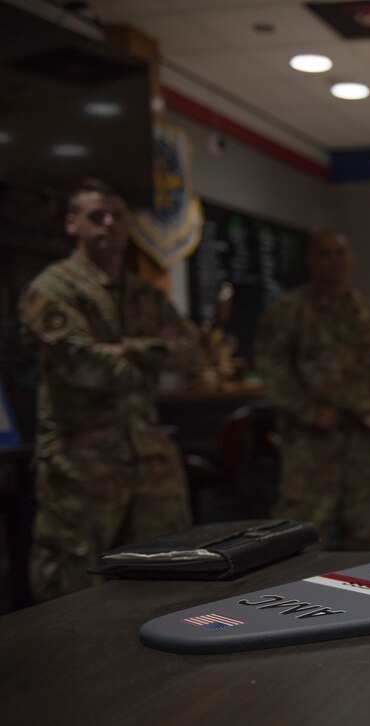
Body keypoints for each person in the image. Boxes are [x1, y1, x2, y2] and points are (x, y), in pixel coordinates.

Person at [19, 178, 201, 601]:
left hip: (151, 460)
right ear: (72, 224)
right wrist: (155, 359)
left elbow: (193, 355)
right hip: (82, 464)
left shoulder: (143, 293)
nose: (109, 224)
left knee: (172, 581)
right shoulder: (52, 289)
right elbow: (82, 366)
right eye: (96, 216)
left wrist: (128, 348)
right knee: (73, 586)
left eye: (118, 216)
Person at [254, 230, 370, 550]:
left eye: (341, 253)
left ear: (351, 259)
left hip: (361, 440)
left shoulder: (369, 313)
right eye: (325, 254)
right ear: (310, 261)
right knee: (304, 534)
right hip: (310, 443)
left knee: (364, 532)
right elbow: (271, 370)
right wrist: (311, 412)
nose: (334, 261)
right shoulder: (289, 311)